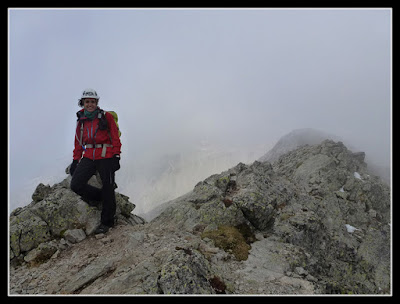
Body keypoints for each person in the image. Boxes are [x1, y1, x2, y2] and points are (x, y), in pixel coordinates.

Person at [69, 88, 121, 234]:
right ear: (83, 103)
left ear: (96, 103)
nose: (90, 104)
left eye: (92, 101)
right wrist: (75, 160)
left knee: (108, 187)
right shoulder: (81, 120)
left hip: (106, 156)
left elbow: (115, 136)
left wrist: (116, 156)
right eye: (87, 102)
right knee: (76, 184)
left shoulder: (105, 117)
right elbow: (78, 142)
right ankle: (99, 197)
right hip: (89, 156)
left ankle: (107, 222)